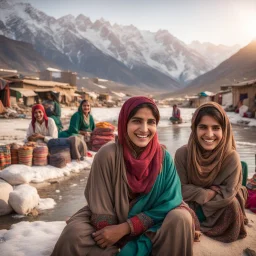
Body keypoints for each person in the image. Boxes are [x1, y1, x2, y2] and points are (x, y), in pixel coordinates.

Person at [51, 96, 196, 256]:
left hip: (152, 222)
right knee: (73, 235)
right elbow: (101, 206)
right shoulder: (108, 154)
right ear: (124, 122)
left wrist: (127, 227)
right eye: (137, 121)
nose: (144, 129)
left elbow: (171, 201)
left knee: (181, 219)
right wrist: (113, 232)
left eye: (151, 122)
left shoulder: (163, 158)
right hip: (110, 222)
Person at [175, 102, 248, 243]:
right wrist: (207, 193)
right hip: (192, 204)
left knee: (232, 204)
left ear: (224, 130)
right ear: (194, 129)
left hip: (219, 206)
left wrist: (196, 197)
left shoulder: (231, 157)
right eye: (203, 127)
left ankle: (198, 219)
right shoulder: (182, 154)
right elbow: (179, 189)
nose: (209, 134)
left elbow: (227, 194)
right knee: (176, 210)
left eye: (216, 128)